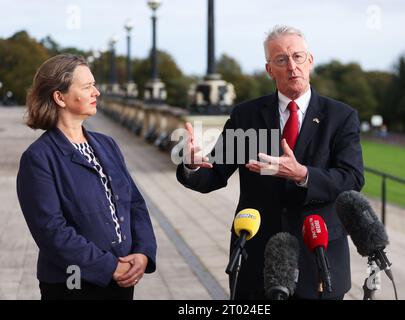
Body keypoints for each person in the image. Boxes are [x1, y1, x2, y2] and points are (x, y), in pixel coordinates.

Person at [176, 25, 364, 300]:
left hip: (318, 259)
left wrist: (303, 174)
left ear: (310, 61)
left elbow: (352, 178)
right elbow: (214, 174)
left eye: (298, 57)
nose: (292, 66)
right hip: (256, 258)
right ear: (269, 70)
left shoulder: (341, 116)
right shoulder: (246, 116)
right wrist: (192, 164)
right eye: (281, 59)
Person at [16, 54, 157, 300]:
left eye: (94, 85)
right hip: (73, 285)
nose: (97, 92)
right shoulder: (38, 158)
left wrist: (143, 253)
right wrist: (110, 267)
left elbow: (134, 203)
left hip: (121, 282)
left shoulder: (107, 144)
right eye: (87, 86)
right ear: (60, 97)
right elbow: (51, 231)